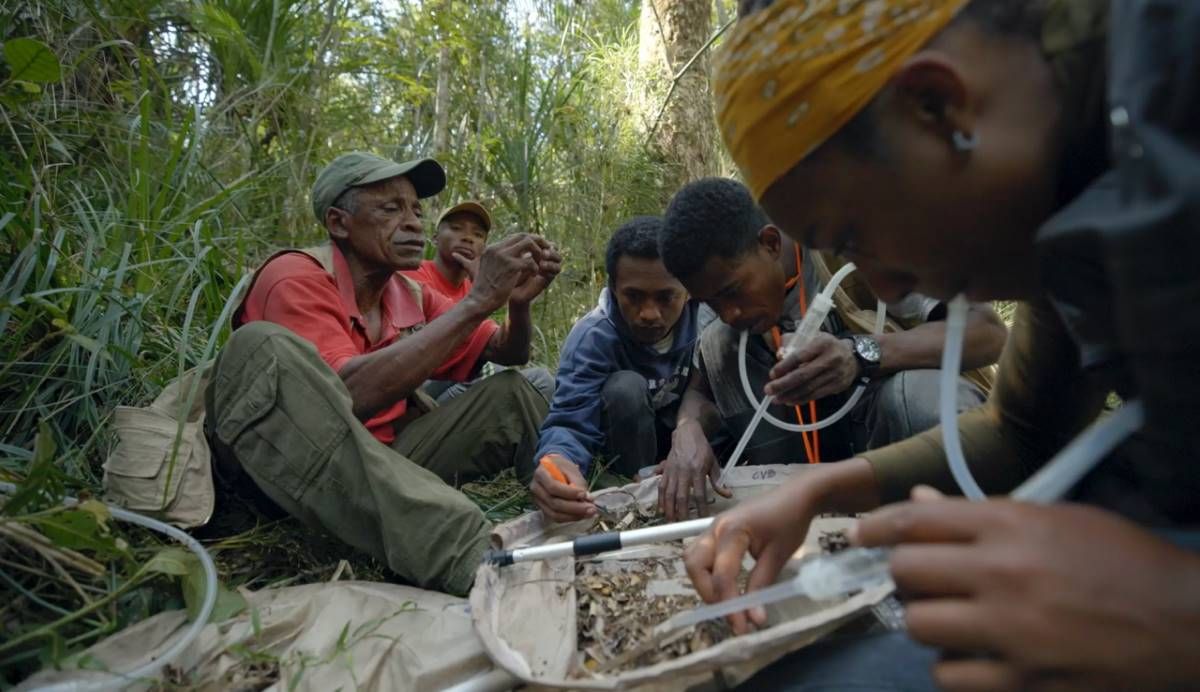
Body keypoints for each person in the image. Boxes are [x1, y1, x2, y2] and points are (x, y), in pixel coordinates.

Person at [685, 1, 1200, 689]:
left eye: (853, 234)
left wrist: (1173, 613)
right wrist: (820, 490)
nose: (882, 283)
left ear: (937, 104)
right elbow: (1023, 430)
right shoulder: (1062, 194)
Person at [204, 151, 560, 596]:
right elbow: (345, 396)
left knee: (515, 392)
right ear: (339, 223)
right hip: (288, 475)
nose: (412, 222)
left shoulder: (407, 291)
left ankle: (569, 510)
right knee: (259, 344)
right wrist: (476, 301)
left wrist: (516, 303)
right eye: (390, 209)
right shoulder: (294, 276)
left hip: (381, 464)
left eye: (415, 210)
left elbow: (508, 352)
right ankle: (471, 556)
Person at [656, 177, 1006, 521]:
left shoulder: (852, 250)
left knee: (917, 395)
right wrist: (687, 428)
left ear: (771, 244)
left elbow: (987, 332)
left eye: (733, 291)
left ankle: (971, 529)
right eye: (711, 302)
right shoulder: (716, 304)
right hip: (789, 459)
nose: (729, 313)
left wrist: (859, 354)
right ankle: (789, 500)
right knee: (718, 342)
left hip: (880, 442)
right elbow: (699, 391)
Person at [530, 216, 699, 522]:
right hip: (628, 450)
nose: (649, 314)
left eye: (666, 297)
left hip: (691, 445)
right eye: (633, 297)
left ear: (688, 290)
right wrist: (556, 460)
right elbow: (570, 419)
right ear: (612, 288)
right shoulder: (591, 338)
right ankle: (631, 492)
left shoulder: (709, 322)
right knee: (626, 388)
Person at [404, 199, 555, 403]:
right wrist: (481, 296)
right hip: (418, 389)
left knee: (542, 381)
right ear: (435, 237)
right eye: (457, 229)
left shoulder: (476, 287)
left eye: (478, 234)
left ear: (484, 246)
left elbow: (512, 353)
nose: (468, 238)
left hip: (458, 387)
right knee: (497, 373)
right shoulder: (412, 275)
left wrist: (518, 303)